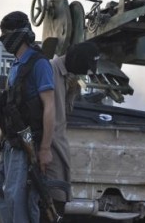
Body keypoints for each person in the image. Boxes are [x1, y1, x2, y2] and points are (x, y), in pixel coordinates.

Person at [0, 11, 55, 223]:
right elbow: (9, 109)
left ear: (20, 34)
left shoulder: (39, 64)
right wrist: (0, 146)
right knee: (1, 193)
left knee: (18, 198)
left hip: (28, 142)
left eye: (7, 34)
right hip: (11, 142)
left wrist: (45, 149)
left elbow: (49, 106)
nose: (4, 39)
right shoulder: (15, 66)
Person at [44, 42, 100, 221]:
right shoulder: (50, 70)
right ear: (75, 60)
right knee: (52, 202)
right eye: (85, 67)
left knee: (59, 201)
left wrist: (73, 91)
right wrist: (43, 149)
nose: (84, 72)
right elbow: (42, 112)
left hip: (59, 145)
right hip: (50, 147)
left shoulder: (67, 76)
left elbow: (64, 111)